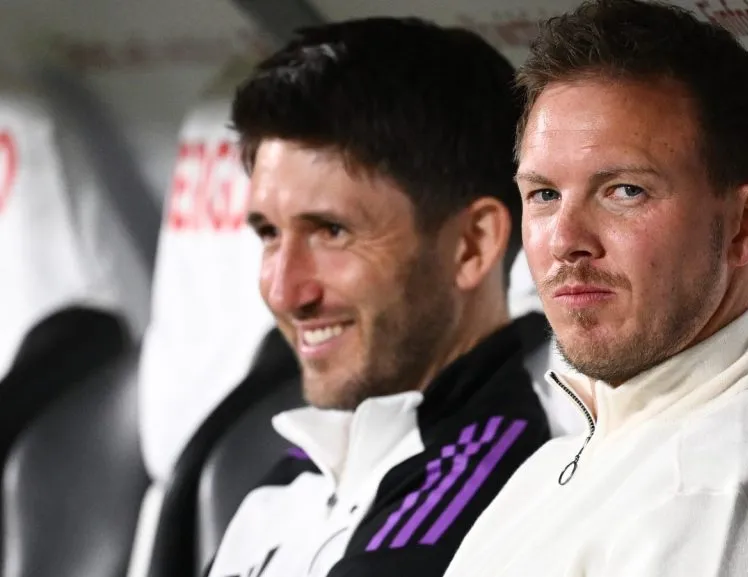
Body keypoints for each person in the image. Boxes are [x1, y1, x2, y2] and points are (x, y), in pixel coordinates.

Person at [443, 1, 748, 576]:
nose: (565, 240)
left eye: (625, 191)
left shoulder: (709, 497)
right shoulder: (576, 452)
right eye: (544, 194)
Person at [204, 18, 553, 577]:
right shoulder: (294, 477)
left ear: (471, 245)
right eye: (269, 233)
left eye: (331, 231)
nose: (283, 290)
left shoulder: (503, 498)